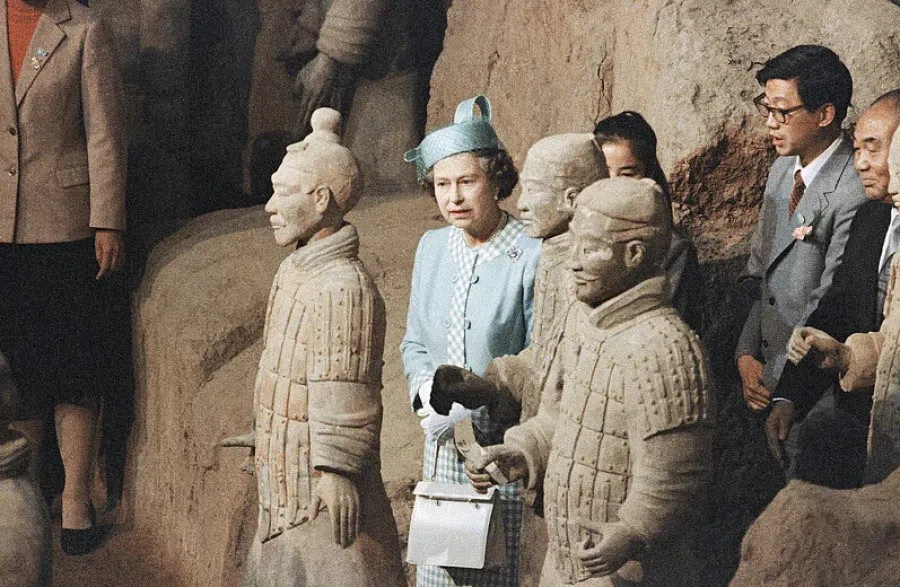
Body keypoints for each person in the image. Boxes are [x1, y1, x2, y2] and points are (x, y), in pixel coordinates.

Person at [465, 177, 715, 587]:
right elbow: (568, 422)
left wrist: (633, 531)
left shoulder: (666, 349)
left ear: (635, 254)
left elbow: (676, 476)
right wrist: (521, 451)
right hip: (566, 562)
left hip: (628, 573)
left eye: (591, 249)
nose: (574, 262)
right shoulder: (584, 321)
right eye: (574, 244)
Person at [223, 108, 405, 586]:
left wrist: (338, 469)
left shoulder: (344, 287)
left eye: (283, 193)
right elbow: (290, 369)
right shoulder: (296, 268)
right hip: (287, 479)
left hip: (324, 493)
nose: (268, 205)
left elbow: (346, 385)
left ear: (322, 199)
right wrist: (270, 428)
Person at [0, 0, 127, 555]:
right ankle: (25, 491)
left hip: (66, 222)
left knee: (73, 360)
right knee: (18, 362)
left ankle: (76, 495)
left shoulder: (85, 29)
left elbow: (104, 133)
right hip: (0, 224)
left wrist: (107, 219)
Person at [401, 95, 540, 587]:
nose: (453, 197)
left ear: (496, 179)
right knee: (441, 572)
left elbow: (539, 356)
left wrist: (492, 404)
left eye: (466, 182)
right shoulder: (432, 248)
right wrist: (430, 399)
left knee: (496, 573)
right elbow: (415, 342)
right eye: (442, 184)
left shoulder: (530, 254)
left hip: (500, 450)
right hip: (441, 444)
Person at [733, 45, 866, 482]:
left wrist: (777, 381)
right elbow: (760, 271)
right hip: (765, 376)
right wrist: (746, 352)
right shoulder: (781, 171)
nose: (770, 123)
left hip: (811, 392)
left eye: (781, 112)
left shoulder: (854, 192)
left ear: (825, 114)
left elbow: (831, 301)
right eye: (765, 109)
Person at [774, 90, 899, 487]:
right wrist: (789, 396)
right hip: (858, 411)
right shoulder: (871, 217)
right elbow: (839, 305)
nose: (860, 163)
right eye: (857, 147)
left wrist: (850, 357)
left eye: (873, 148)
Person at [593, 111, 703, 332]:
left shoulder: (672, 250)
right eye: (604, 173)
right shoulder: (575, 237)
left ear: (648, 174)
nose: (613, 185)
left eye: (627, 174)